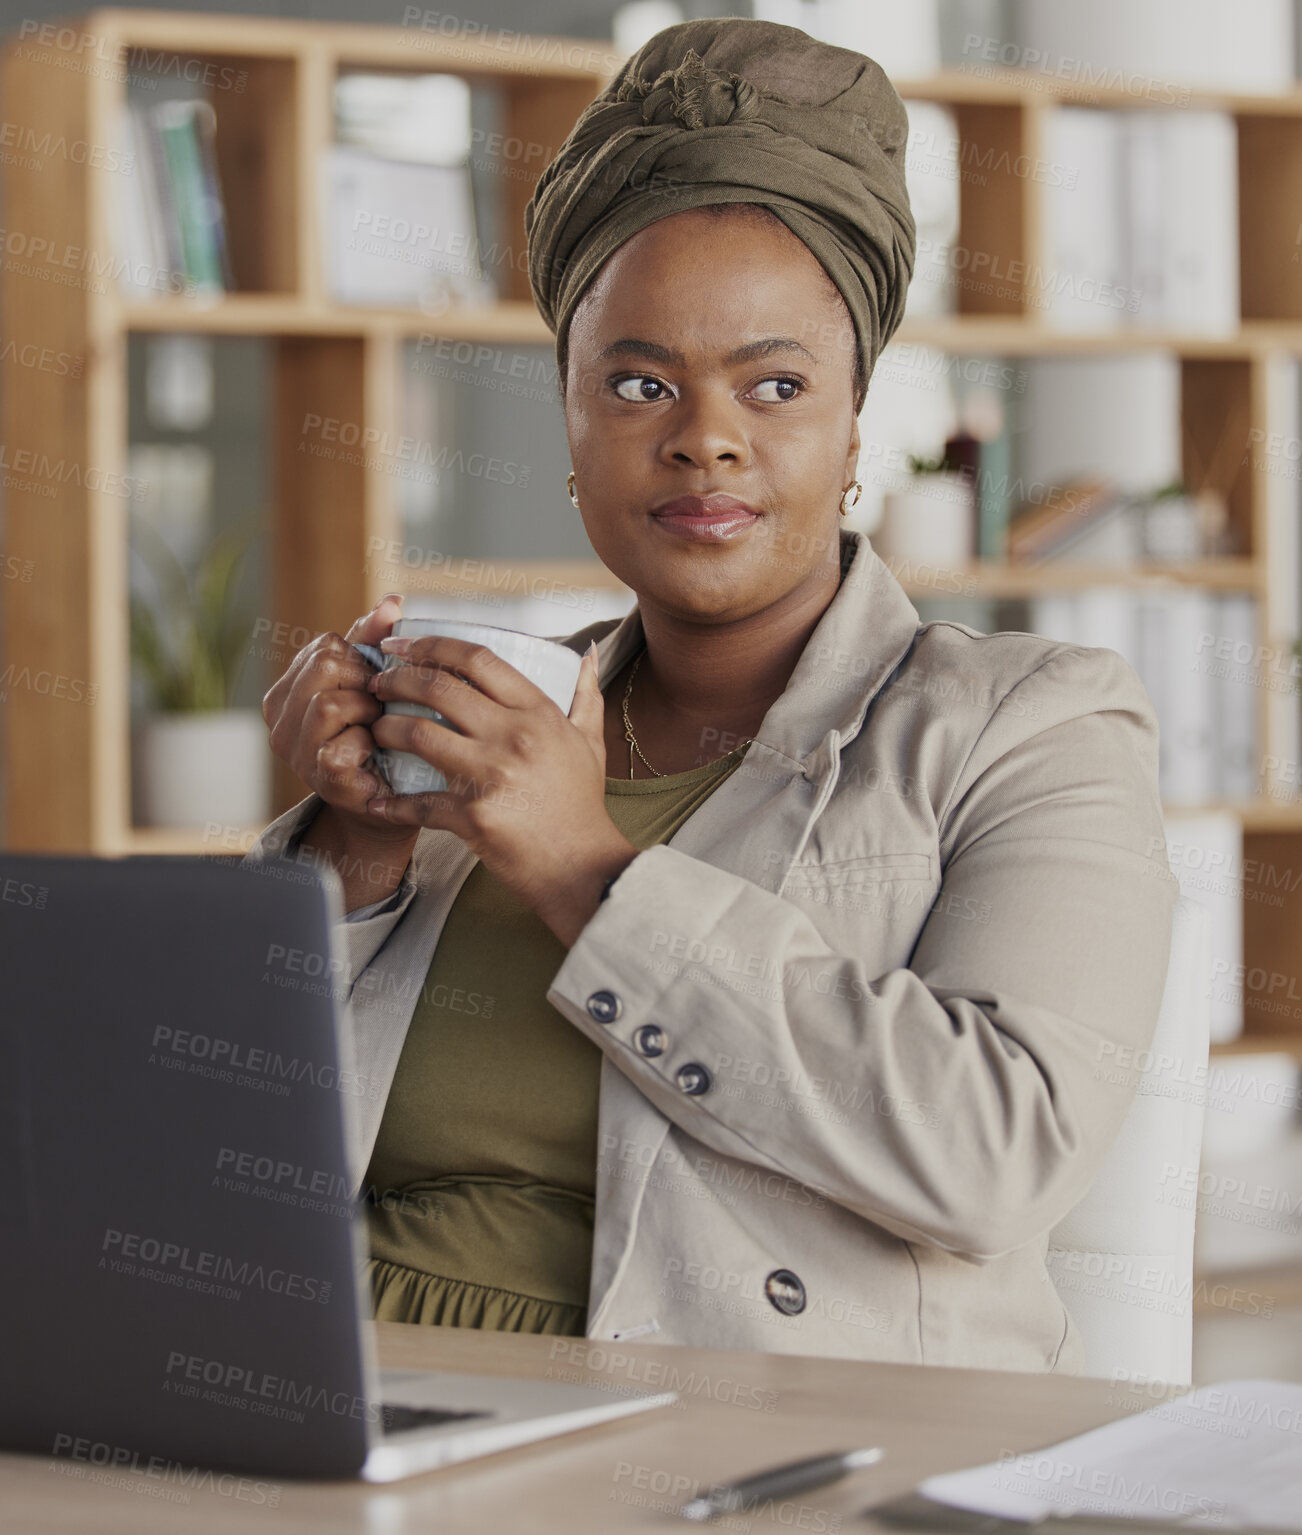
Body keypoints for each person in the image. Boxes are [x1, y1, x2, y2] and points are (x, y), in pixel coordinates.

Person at [248, 18, 1178, 1372]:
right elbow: (205, 1149)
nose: (705, 435)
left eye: (776, 383)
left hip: (730, 1449)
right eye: (636, 383)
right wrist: (354, 851)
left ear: (855, 422)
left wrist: (581, 866)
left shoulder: (1032, 727)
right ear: (569, 425)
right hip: (334, 1405)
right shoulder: (481, 720)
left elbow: (992, 1153)